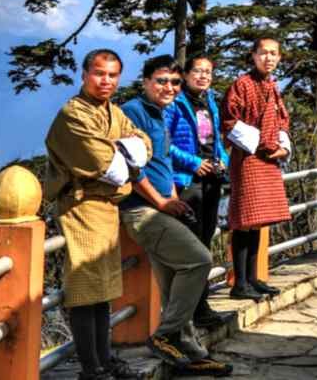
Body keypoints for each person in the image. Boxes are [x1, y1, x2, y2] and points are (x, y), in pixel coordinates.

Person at [119, 56, 231, 376]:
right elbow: (131, 167)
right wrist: (161, 201)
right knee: (199, 259)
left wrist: (170, 196)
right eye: (161, 81)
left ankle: (189, 352)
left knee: (171, 287)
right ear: (145, 82)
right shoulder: (133, 112)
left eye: (174, 82)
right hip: (142, 211)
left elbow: (161, 162)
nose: (169, 87)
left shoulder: (161, 112)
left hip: (164, 205)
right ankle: (165, 336)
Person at [45, 49, 151, 380]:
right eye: (99, 73)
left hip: (107, 209)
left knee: (103, 293)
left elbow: (143, 145)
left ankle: (105, 360)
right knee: (84, 294)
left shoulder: (113, 112)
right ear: (84, 74)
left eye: (113, 75)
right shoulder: (72, 115)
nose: (106, 81)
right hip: (81, 208)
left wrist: (125, 149)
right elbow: (109, 166)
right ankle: (91, 369)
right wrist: (122, 150)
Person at [221, 37, 291, 301]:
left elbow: (283, 119)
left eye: (274, 54)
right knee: (244, 221)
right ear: (253, 55)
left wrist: (282, 147)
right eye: (263, 53)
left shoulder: (272, 87)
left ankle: (252, 278)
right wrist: (262, 143)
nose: (268, 58)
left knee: (259, 221)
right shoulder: (242, 85)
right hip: (248, 157)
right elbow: (230, 121)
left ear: (279, 58)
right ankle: (239, 282)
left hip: (269, 157)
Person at [167, 55, 232, 330]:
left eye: (208, 72)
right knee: (190, 248)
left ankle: (200, 305)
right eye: (198, 71)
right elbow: (164, 144)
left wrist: (223, 161)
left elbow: (215, 139)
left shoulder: (210, 101)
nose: (203, 76)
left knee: (204, 242)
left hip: (211, 181)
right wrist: (195, 163)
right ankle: (187, 311)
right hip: (187, 181)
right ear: (185, 74)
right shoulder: (175, 103)